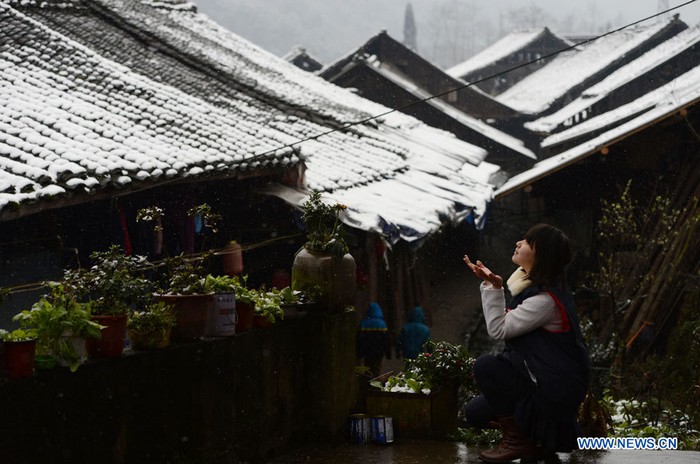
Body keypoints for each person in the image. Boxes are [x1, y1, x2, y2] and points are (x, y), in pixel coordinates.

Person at [462, 224, 590, 462]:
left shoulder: (544, 301)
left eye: (527, 242)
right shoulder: (538, 290)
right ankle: (535, 441)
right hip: (545, 384)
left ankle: (518, 442)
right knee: (475, 412)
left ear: (541, 255)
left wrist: (494, 287)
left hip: (553, 392)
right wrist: (495, 285)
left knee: (486, 365)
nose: (518, 243)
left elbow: (498, 329)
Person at [356, 302, 392, 377]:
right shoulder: (382, 324)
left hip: (367, 351)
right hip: (378, 352)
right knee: (376, 368)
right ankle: (375, 383)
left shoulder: (364, 323)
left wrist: (359, 352)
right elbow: (386, 340)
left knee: (367, 368)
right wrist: (388, 353)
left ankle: (367, 383)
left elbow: (359, 339)